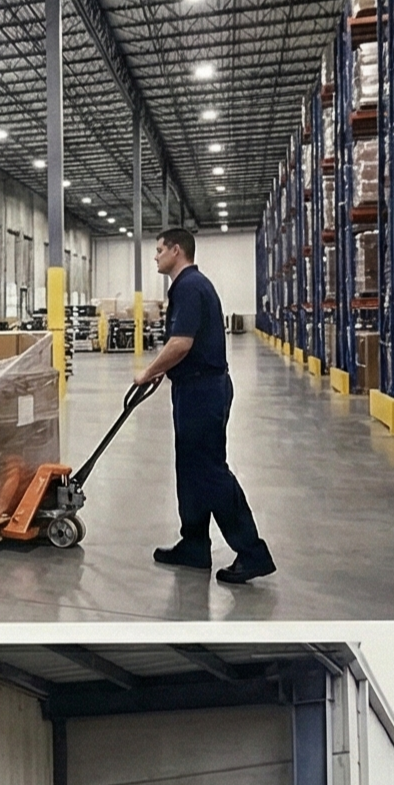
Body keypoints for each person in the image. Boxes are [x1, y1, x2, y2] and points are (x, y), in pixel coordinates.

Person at [138, 227, 274, 584]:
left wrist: (149, 371)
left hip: (203, 391)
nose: (155, 256)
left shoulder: (190, 287)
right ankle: (194, 545)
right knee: (190, 468)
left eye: (159, 250)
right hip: (192, 387)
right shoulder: (187, 286)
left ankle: (252, 552)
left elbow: (181, 343)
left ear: (176, 250)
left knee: (210, 471)